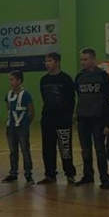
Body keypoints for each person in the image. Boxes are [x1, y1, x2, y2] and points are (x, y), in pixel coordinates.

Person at [74, 48, 109, 187]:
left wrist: (107, 121)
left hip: (98, 119)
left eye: (85, 59)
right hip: (83, 118)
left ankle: (104, 177)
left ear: (93, 59)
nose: (83, 62)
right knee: (85, 150)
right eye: (81, 59)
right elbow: (79, 95)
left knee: (100, 149)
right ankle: (88, 175)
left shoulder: (103, 76)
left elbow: (108, 98)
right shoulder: (79, 77)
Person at [38, 52, 76, 185]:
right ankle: (50, 174)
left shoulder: (66, 79)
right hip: (48, 119)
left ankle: (70, 174)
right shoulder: (44, 80)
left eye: (50, 61)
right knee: (48, 148)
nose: (47, 64)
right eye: (46, 61)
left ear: (57, 62)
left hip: (63, 119)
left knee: (65, 148)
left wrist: (68, 116)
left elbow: (71, 99)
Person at [2, 70, 34, 184]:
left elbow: (31, 111)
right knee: (13, 151)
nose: (10, 82)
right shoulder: (9, 94)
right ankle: (13, 173)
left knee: (25, 151)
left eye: (12, 79)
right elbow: (8, 109)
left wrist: (26, 123)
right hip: (10, 127)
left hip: (22, 127)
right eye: (9, 79)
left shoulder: (25, 94)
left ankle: (28, 174)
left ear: (19, 80)